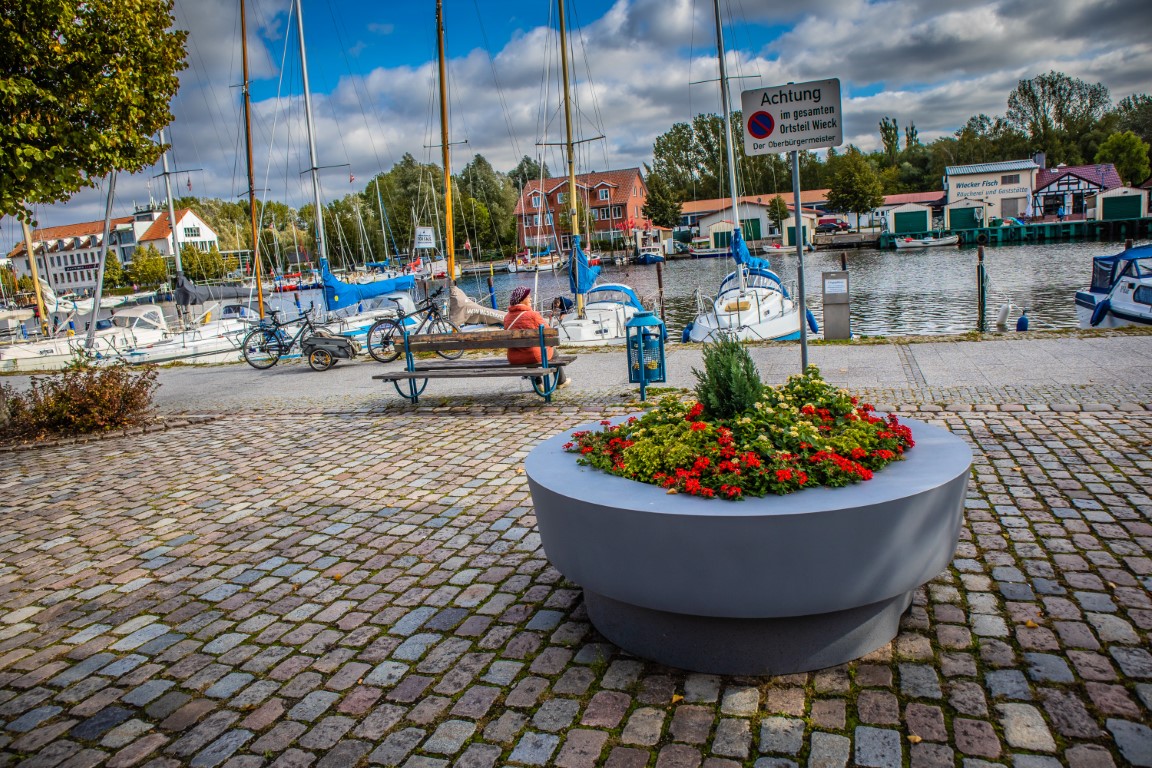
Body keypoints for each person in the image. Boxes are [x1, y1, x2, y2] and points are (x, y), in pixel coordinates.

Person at [504, 285, 567, 388]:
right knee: (551, 351)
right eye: (528, 296)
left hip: (514, 357)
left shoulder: (507, 317)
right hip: (533, 355)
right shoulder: (532, 315)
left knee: (526, 349)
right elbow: (549, 332)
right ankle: (561, 381)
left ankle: (538, 383)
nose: (531, 298)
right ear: (522, 299)